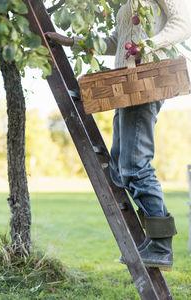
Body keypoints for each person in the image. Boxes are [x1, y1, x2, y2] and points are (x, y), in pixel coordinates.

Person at [45, 0, 191, 270]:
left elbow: (182, 23)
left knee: (135, 165)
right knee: (122, 170)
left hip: (144, 80)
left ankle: (161, 246)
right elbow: (116, 40)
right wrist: (72, 42)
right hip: (126, 83)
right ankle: (153, 240)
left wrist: (147, 46)